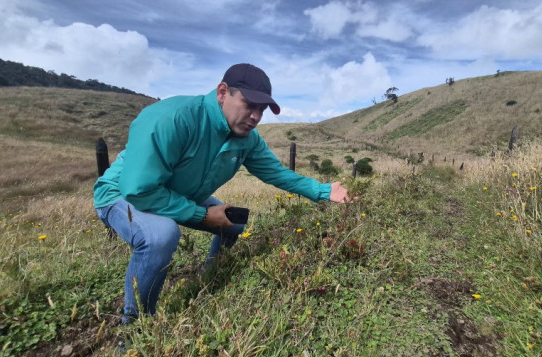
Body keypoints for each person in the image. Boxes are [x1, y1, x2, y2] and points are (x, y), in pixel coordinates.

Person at [93, 63, 352, 323]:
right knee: (161, 235)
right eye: (249, 104)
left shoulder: (248, 138)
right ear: (222, 92)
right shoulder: (172, 118)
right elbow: (139, 190)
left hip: (178, 192)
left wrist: (323, 190)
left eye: (261, 110)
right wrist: (202, 215)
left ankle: (209, 277)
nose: (256, 116)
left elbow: (278, 173)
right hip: (124, 195)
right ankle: (136, 323)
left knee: (233, 221)